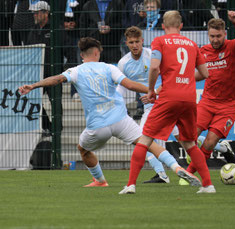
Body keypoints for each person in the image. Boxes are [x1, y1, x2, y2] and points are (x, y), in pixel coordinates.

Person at [19, 37, 200, 188]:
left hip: (98, 126)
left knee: (83, 149)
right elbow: (128, 85)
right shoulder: (109, 67)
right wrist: (151, 90)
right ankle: (177, 168)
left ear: (82, 55)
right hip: (121, 120)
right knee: (149, 143)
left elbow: (56, 79)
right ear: (97, 52)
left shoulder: (76, 70)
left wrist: (34, 85)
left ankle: (100, 180)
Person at [119, 10, 215, 194]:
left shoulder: (160, 41)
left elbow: (154, 67)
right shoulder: (192, 44)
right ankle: (208, 185)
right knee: (190, 144)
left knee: (145, 139)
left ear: (162, 26)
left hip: (168, 97)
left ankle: (130, 185)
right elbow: (205, 74)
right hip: (188, 99)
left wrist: (150, 90)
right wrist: (185, 79)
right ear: (181, 26)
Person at [183, 11, 235, 180]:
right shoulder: (202, 51)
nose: (215, 40)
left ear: (224, 34)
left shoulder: (233, 47)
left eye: (218, 36)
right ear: (208, 35)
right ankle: (210, 152)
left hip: (228, 105)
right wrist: (183, 82)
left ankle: (189, 174)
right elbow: (200, 74)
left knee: (210, 142)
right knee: (189, 136)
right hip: (207, 102)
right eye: (212, 36)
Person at [117, 26, 179, 183]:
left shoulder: (152, 56)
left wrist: (155, 92)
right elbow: (122, 87)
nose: (134, 45)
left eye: (137, 41)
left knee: (182, 137)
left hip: (166, 102)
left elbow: (169, 78)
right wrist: (117, 105)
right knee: (144, 139)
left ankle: (218, 147)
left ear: (142, 41)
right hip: (150, 106)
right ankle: (162, 173)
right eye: (131, 42)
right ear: (126, 43)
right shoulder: (123, 63)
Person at [25, 1, 62, 135]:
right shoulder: (33, 30)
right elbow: (28, 50)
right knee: (35, 101)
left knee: (55, 102)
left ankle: (58, 128)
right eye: (34, 13)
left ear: (46, 13)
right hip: (37, 74)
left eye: (37, 12)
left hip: (53, 72)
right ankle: (47, 125)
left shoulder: (55, 29)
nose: (34, 15)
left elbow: (66, 48)